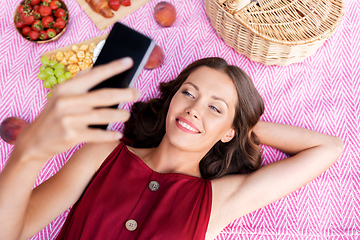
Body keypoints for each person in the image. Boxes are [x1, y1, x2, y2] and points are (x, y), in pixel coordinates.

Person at [0, 57, 343, 240]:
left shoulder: (219, 200)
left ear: (229, 131)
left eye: (214, 107)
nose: (194, 108)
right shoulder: (101, 152)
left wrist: (238, 128)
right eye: (189, 93)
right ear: (171, 100)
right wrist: (27, 155)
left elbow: (327, 148)